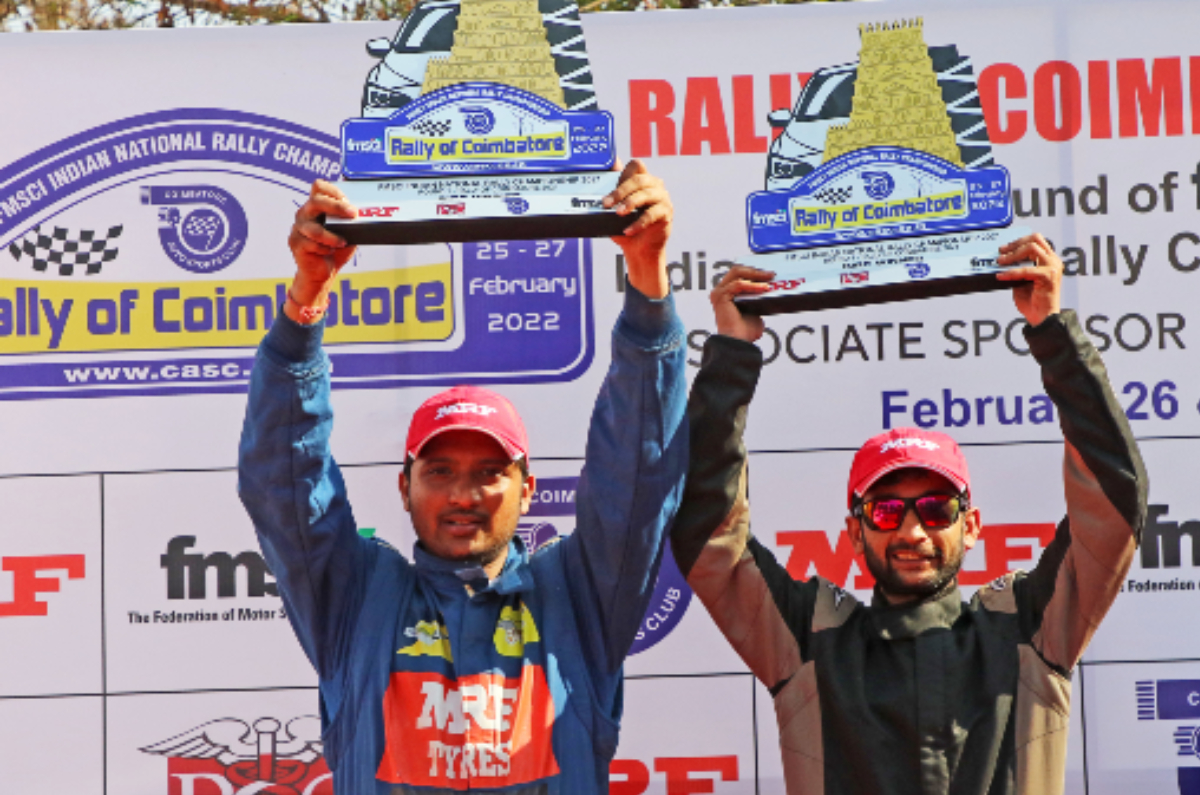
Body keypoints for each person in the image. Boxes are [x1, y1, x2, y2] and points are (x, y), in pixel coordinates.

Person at [238, 162, 686, 794]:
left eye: (490, 472)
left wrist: (646, 281)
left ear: (528, 488)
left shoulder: (577, 597)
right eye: (440, 470)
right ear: (405, 487)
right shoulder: (357, 597)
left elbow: (636, 474)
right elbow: (282, 483)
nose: (462, 495)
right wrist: (306, 299)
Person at [671, 234, 1148, 795]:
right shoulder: (808, 640)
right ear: (854, 532)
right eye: (887, 509)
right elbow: (707, 536)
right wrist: (732, 353)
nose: (912, 530)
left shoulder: (1030, 630)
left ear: (970, 526)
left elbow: (1113, 501)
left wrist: (1051, 331)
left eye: (936, 508)